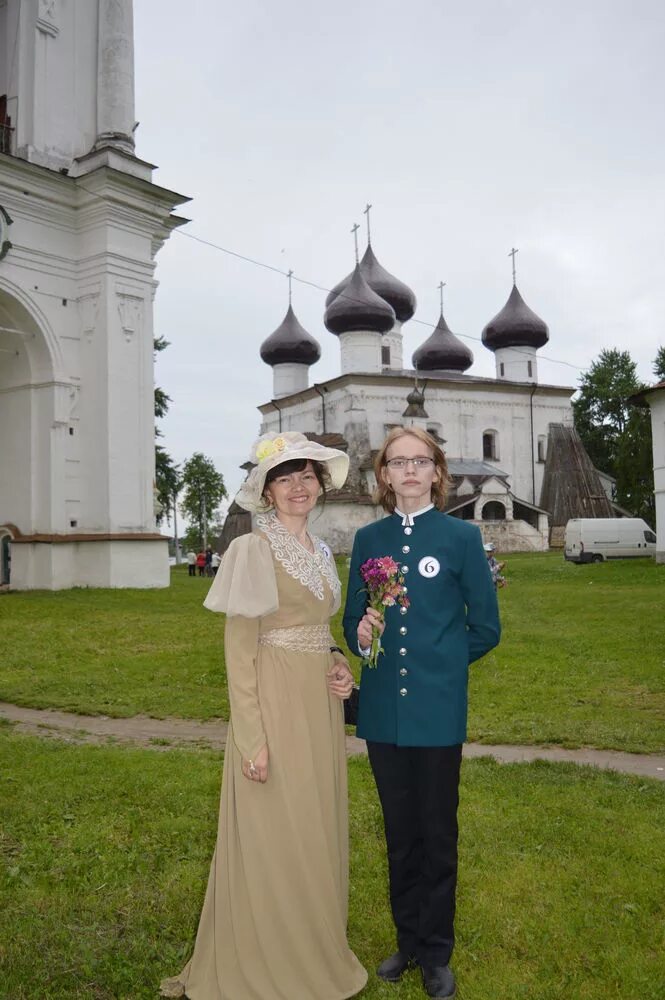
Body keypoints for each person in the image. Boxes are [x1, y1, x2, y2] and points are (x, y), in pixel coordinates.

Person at [161, 431, 367, 1000]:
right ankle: (266, 955)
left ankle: (313, 946)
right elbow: (239, 650)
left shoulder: (323, 553)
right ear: (267, 491)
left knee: (313, 822)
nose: (298, 487)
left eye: (307, 476)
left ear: (320, 485)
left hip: (317, 706)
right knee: (276, 828)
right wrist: (252, 738)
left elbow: (318, 631)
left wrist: (338, 665)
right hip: (273, 704)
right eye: (285, 478)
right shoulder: (253, 550)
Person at [343, 427, 500, 1000]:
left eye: (420, 461)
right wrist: (361, 636)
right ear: (383, 475)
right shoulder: (368, 539)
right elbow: (352, 621)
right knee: (400, 832)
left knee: (437, 832)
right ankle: (407, 941)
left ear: (437, 472)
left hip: (437, 714)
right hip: (383, 713)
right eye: (397, 462)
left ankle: (437, 952)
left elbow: (486, 627)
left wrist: (441, 668)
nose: (409, 470)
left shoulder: (460, 536)